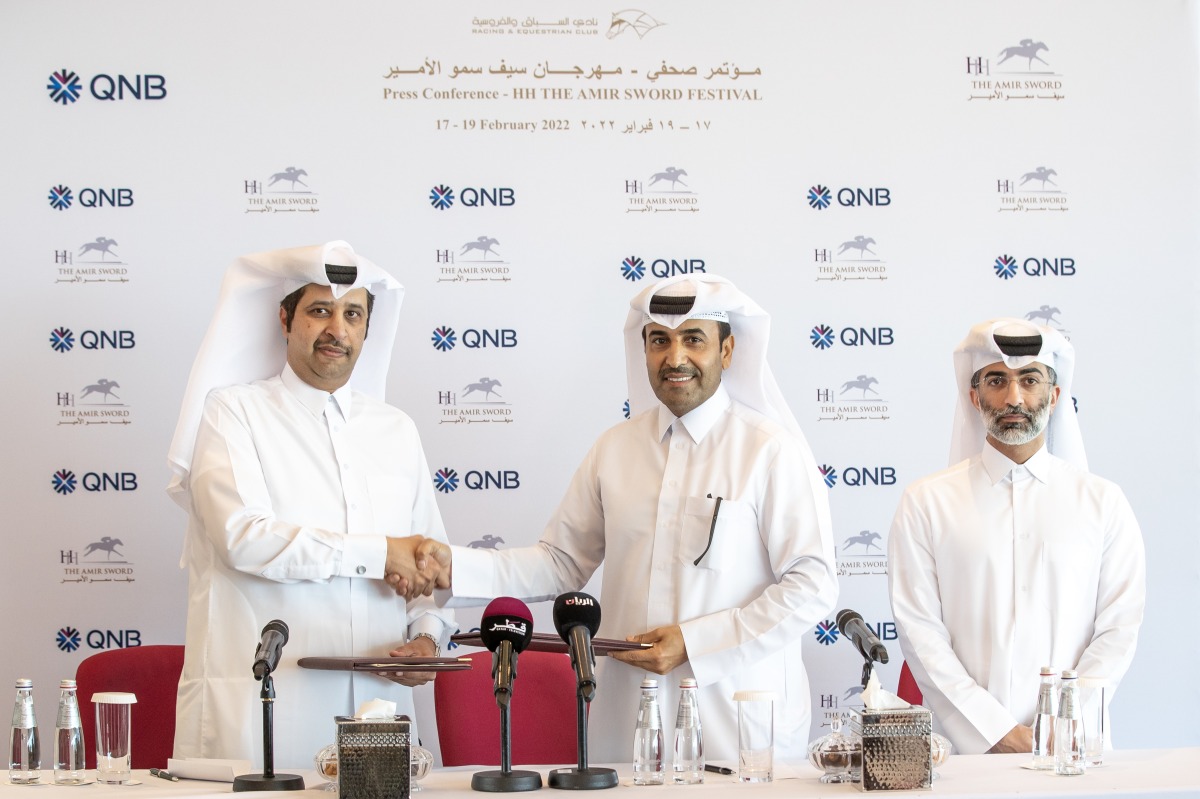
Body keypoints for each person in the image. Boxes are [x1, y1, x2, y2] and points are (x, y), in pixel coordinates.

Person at [397, 274, 838, 762]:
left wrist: (695, 644)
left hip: (737, 724)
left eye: (694, 339)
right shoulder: (615, 448)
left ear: (727, 351)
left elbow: (813, 585)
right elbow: (559, 562)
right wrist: (451, 569)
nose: (675, 358)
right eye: (659, 341)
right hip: (630, 721)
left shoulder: (770, 452)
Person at [166, 241, 453, 766]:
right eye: (319, 310)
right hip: (264, 712)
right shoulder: (233, 412)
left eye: (352, 314)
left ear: (368, 328)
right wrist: (376, 552)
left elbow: (427, 562)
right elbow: (242, 538)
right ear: (285, 319)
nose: (336, 330)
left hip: (377, 709)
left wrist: (429, 640)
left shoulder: (396, 430)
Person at [888, 318, 1145, 754]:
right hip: (963, 753)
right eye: (996, 381)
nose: (1014, 398)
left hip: (1072, 751)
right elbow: (921, 633)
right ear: (973, 396)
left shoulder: (1104, 502)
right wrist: (996, 731)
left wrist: (1063, 725)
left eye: (1030, 380)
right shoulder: (926, 502)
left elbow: (1118, 629)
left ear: (1055, 395)